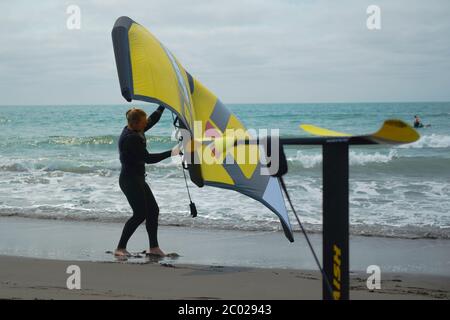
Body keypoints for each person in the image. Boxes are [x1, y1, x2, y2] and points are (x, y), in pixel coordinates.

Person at [114, 106, 180, 257]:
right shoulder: (131, 138)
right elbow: (148, 159)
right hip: (129, 181)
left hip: (137, 179)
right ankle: (120, 248)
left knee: (153, 211)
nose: (146, 124)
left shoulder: (134, 129)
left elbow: (152, 120)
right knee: (139, 214)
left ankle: (154, 248)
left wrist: (163, 106)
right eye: (143, 122)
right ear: (136, 123)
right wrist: (172, 152)